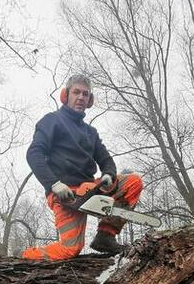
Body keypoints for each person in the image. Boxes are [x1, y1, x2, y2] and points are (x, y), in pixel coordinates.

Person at [21, 74, 143, 259]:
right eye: (76, 92)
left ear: (90, 100)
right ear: (66, 95)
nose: (81, 97)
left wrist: (108, 175)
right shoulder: (52, 121)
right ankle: (24, 255)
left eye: (85, 94)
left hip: (90, 190)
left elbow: (106, 159)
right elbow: (34, 153)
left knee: (133, 182)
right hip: (65, 194)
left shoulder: (90, 132)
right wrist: (54, 184)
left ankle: (105, 235)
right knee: (70, 250)